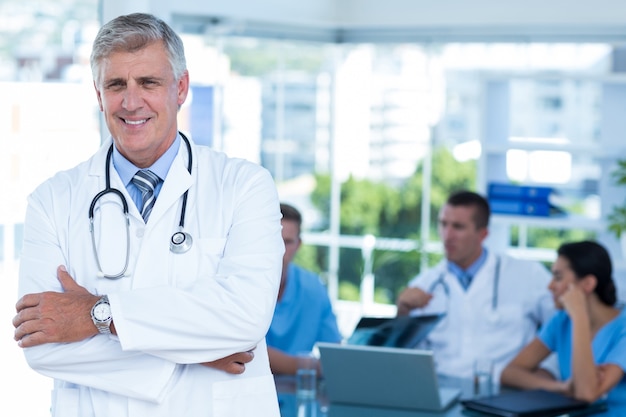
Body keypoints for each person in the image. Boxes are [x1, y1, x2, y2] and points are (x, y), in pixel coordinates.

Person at [12, 13, 284, 417]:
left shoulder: (244, 185)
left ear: (181, 88)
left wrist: (93, 314)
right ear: (98, 94)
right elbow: (43, 345)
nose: (131, 102)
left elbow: (244, 320)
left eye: (149, 83)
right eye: (116, 84)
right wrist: (194, 354)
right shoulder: (52, 200)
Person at [396, 190, 556, 381]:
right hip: (441, 387)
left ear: (483, 234)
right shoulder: (423, 285)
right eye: (443, 224)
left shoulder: (528, 274)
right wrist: (402, 315)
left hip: (506, 390)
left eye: (458, 227)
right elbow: (404, 356)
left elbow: (563, 327)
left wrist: (548, 371)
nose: (447, 235)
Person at [501, 240, 626, 409]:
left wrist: (579, 315)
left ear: (588, 284)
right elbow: (510, 372)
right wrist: (561, 387)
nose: (550, 286)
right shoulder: (561, 321)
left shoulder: (621, 329)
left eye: (558, 277)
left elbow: (586, 394)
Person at [266, 203, 342, 375]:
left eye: (288, 242)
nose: (280, 250)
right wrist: (309, 366)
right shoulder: (240, 284)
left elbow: (334, 355)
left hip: (297, 395)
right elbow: (244, 352)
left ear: (298, 245)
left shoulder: (314, 288)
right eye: (274, 239)